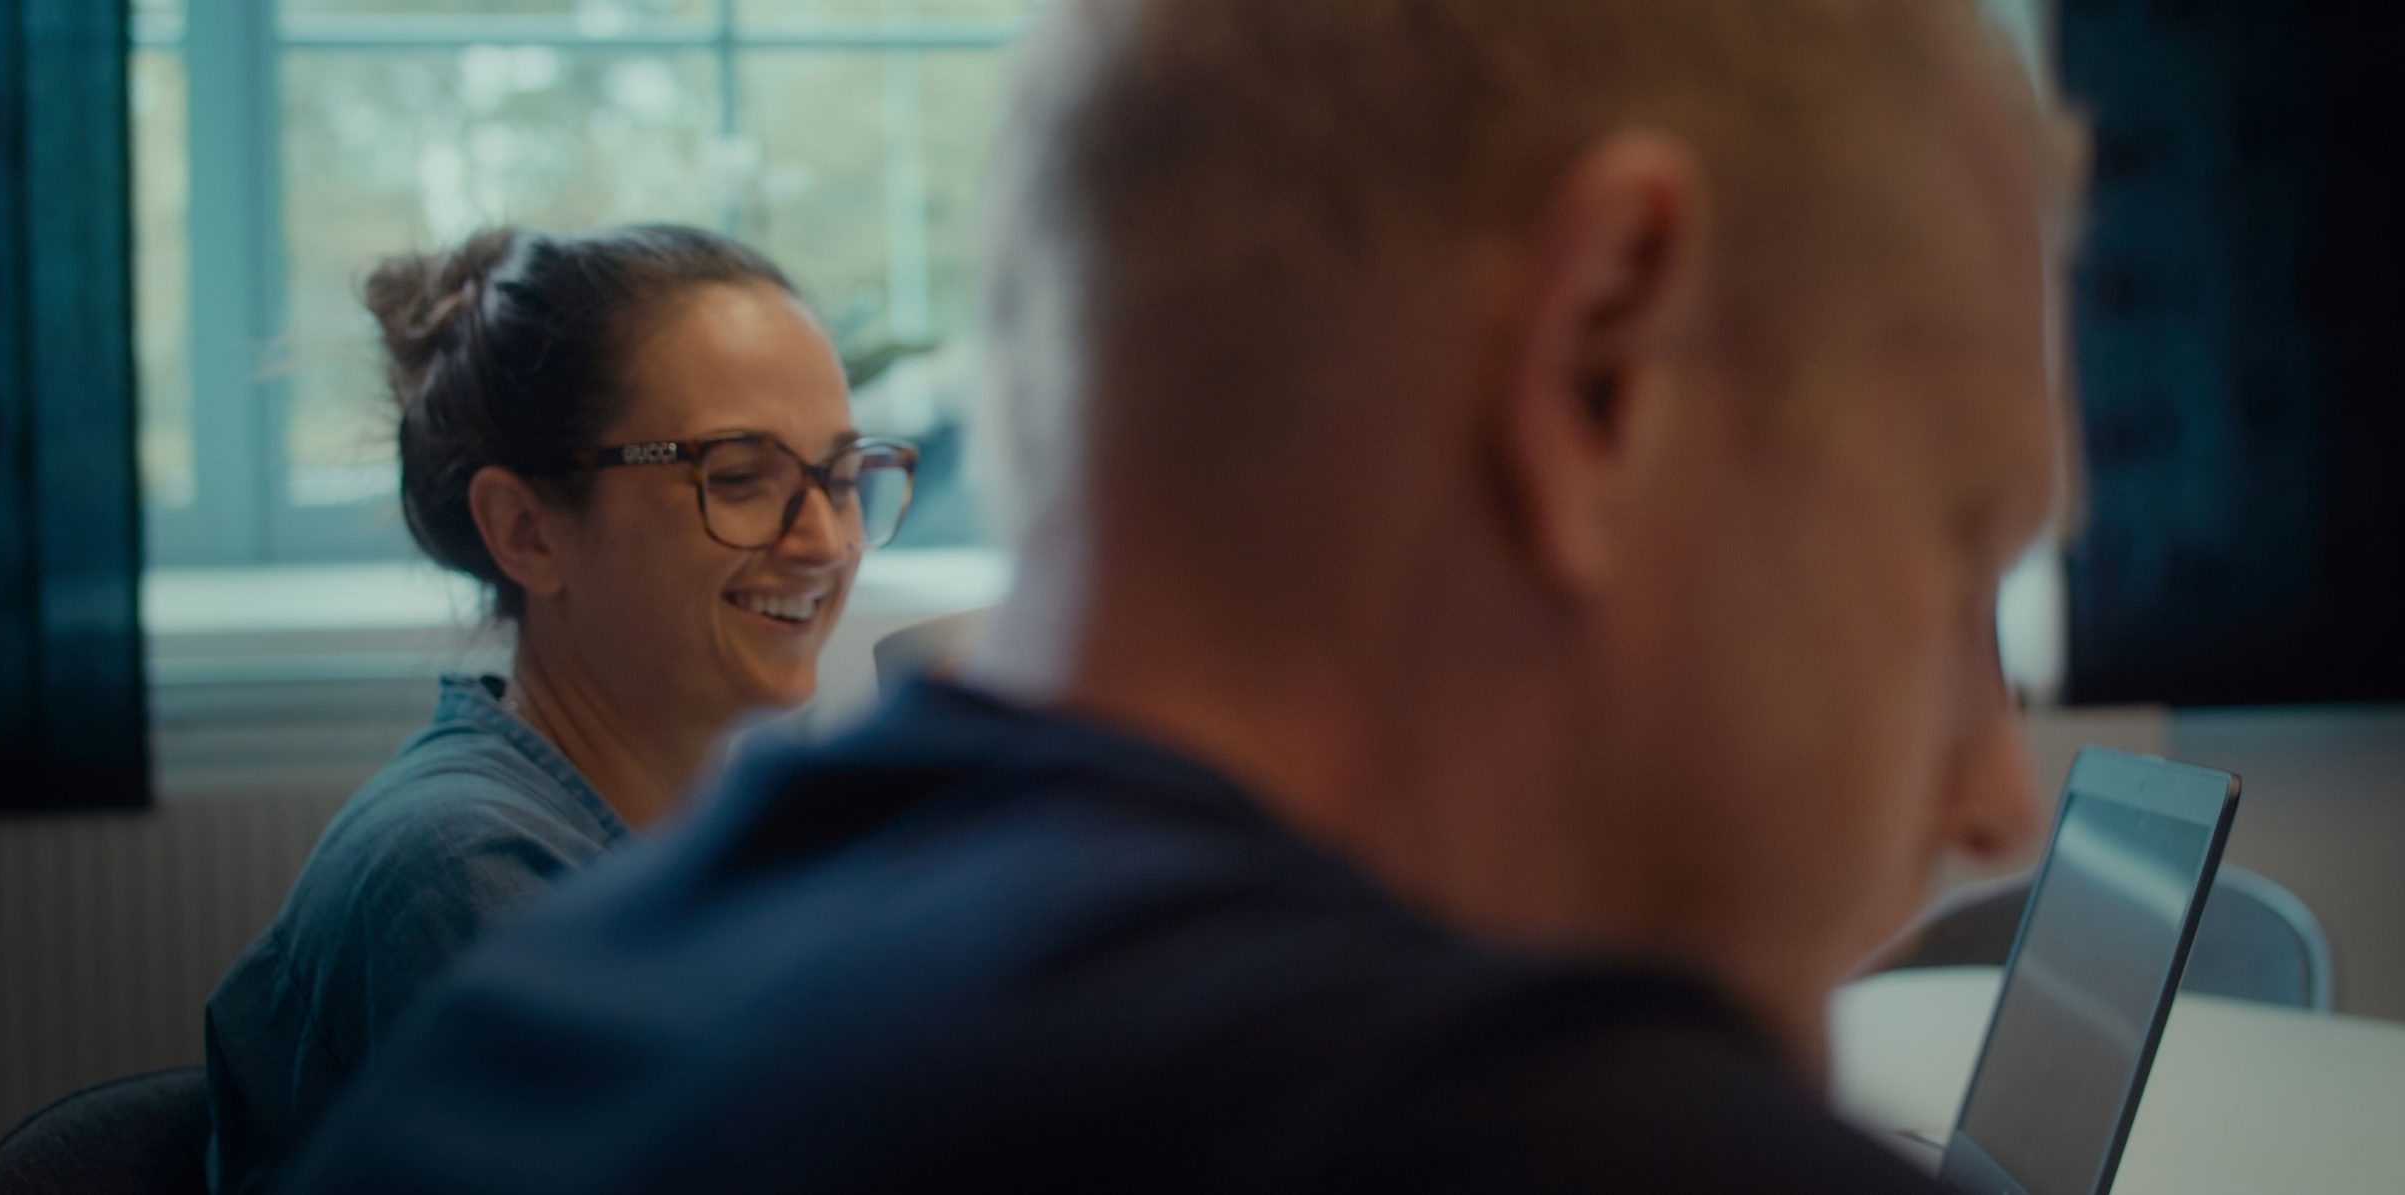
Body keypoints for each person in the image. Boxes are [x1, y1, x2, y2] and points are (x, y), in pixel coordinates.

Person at [289, 1, 2089, 1189]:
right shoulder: (1564, 1149)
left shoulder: (545, 1024)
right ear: (1598, 370)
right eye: (1956, 545)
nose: (1996, 802)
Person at [201, 224, 918, 1192]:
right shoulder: (457, 871)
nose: (828, 541)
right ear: (527, 530)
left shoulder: (721, 838)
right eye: (739, 478)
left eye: (839, 475)